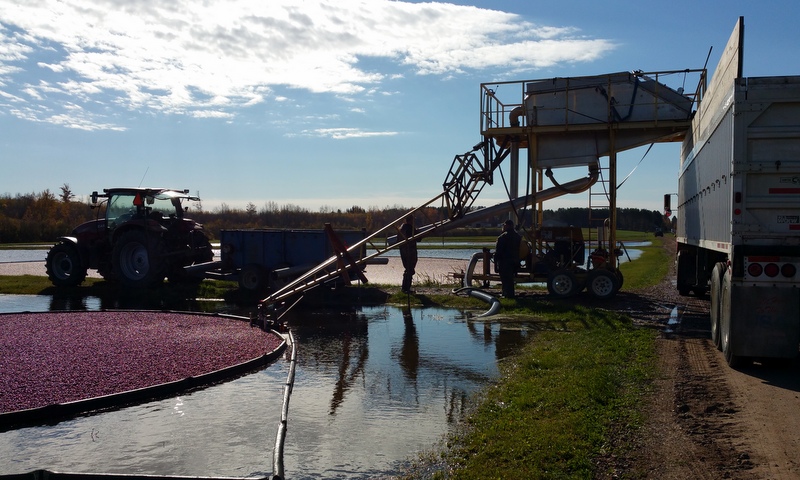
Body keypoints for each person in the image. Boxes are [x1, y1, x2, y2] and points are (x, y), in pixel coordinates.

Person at [495, 219, 522, 298]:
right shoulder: (518, 236)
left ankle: (506, 294)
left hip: (505, 261)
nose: (503, 227)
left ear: (507, 226)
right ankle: (510, 293)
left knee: (505, 279)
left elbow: (499, 251)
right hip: (515, 261)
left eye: (504, 225)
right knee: (510, 279)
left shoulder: (503, 237)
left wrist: (496, 259)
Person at [398, 215, 418, 293]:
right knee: (410, 269)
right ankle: (406, 288)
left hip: (403, 251)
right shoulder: (410, 228)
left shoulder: (401, 228)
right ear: (410, 220)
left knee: (407, 269)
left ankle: (404, 288)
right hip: (410, 251)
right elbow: (418, 238)